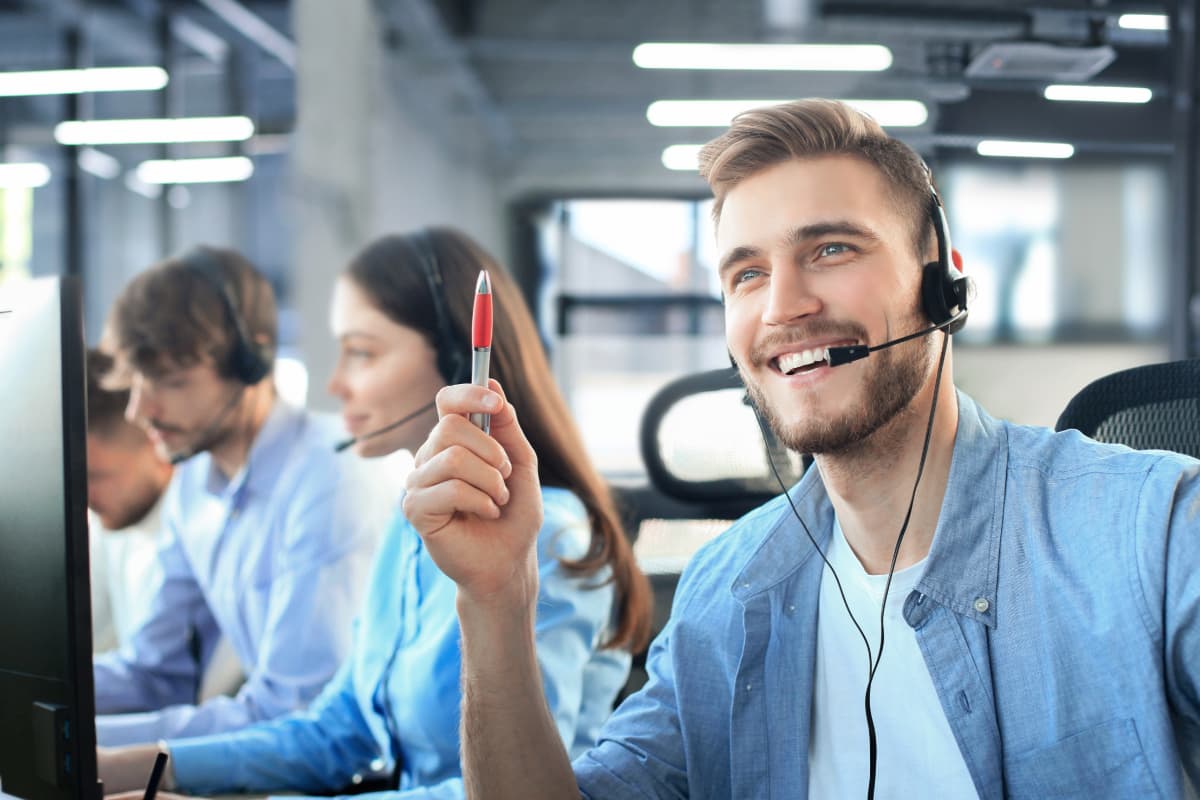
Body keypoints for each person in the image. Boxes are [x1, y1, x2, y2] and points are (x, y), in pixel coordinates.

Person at [402, 99, 1200, 798]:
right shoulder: (725, 595)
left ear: (942, 283)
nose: (783, 307)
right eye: (747, 274)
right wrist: (497, 598)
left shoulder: (1151, 530)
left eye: (831, 250)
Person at [98, 228, 652, 799]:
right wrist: (144, 766)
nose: (335, 384)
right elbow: (341, 732)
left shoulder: (543, 540)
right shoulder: (411, 524)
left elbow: (518, 787)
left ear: (459, 358)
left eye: (361, 353)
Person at [91, 245, 391, 747]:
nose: (140, 411)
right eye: (138, 383)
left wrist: (80, 742)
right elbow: (156, 673)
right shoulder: (193, 483)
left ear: (252, 361)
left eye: (171, 381)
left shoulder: (327, 481)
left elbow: (291, 713)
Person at [85, 347, 174, 654]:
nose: (86, 499)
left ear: (156, 445)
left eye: (95, 476)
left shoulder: (192, 537)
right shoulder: (108, 525)